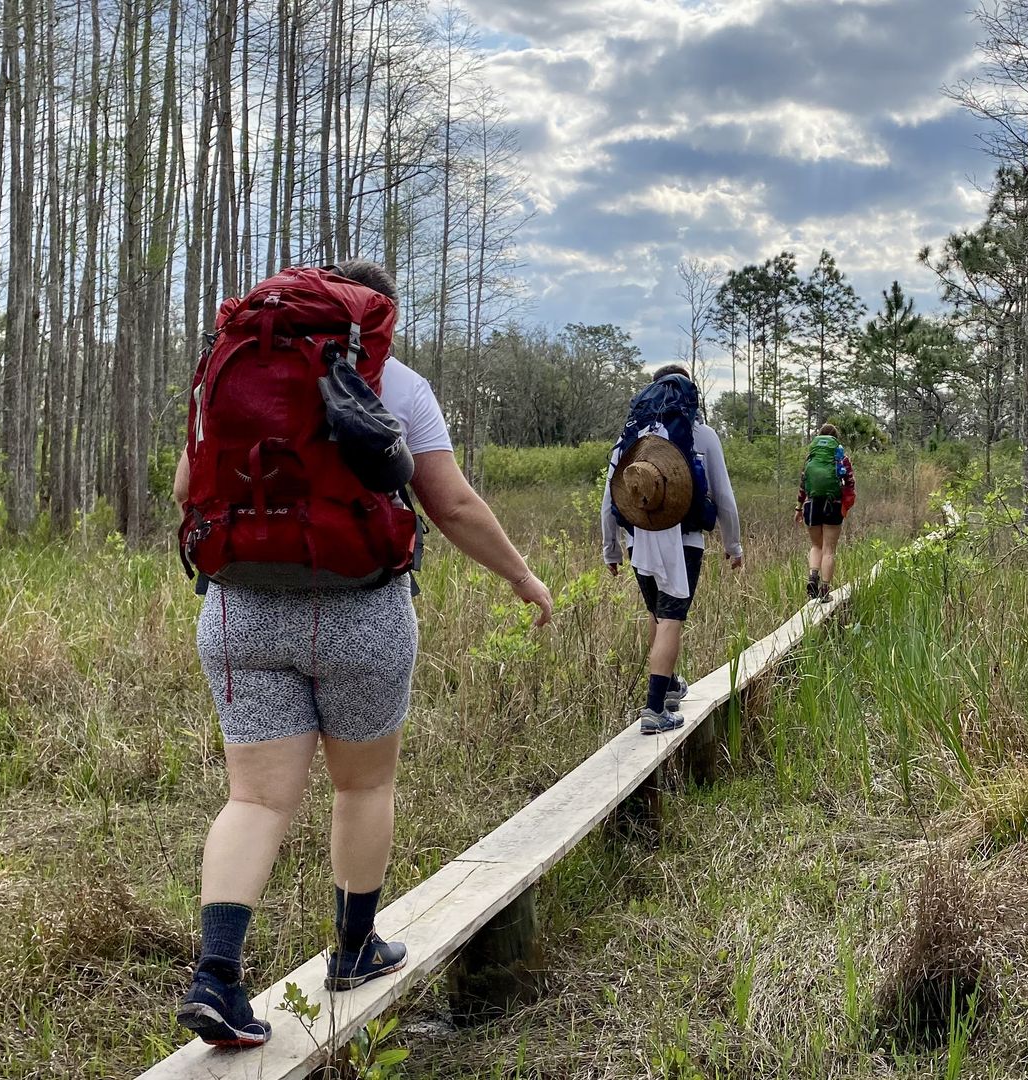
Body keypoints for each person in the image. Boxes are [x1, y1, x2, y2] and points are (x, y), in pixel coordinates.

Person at [170, 258, 553, 1048]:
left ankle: (216, 977)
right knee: (363, 786)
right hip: (361, 614)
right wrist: (522, 577)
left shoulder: (233, 370)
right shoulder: (395, 382)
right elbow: (449, 502)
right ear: (378, 316)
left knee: (255, 800)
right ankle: (354, 950)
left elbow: (186, 490)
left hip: (241, 611)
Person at [601, 365, 743, 734]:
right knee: (672, 618)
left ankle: (667, 689)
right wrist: (734, 545)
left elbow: (609, 498)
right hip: (685, 541)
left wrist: (611, 550)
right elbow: (724, 497)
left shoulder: (631, 437)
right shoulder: (701, 434)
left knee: (658, 613)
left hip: (638, 539)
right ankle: (653, 710)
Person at [795, 423, 856, 601]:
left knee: (816, 545)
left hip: (811, 505)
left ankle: (813, 577)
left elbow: (803, 484)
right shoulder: (841, 457)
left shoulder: (811, 457)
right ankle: (824, 591)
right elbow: (850, 483)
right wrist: (846, 505)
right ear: (836, 438)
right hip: (833, 505)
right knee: (829, 549)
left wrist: (798, 508)